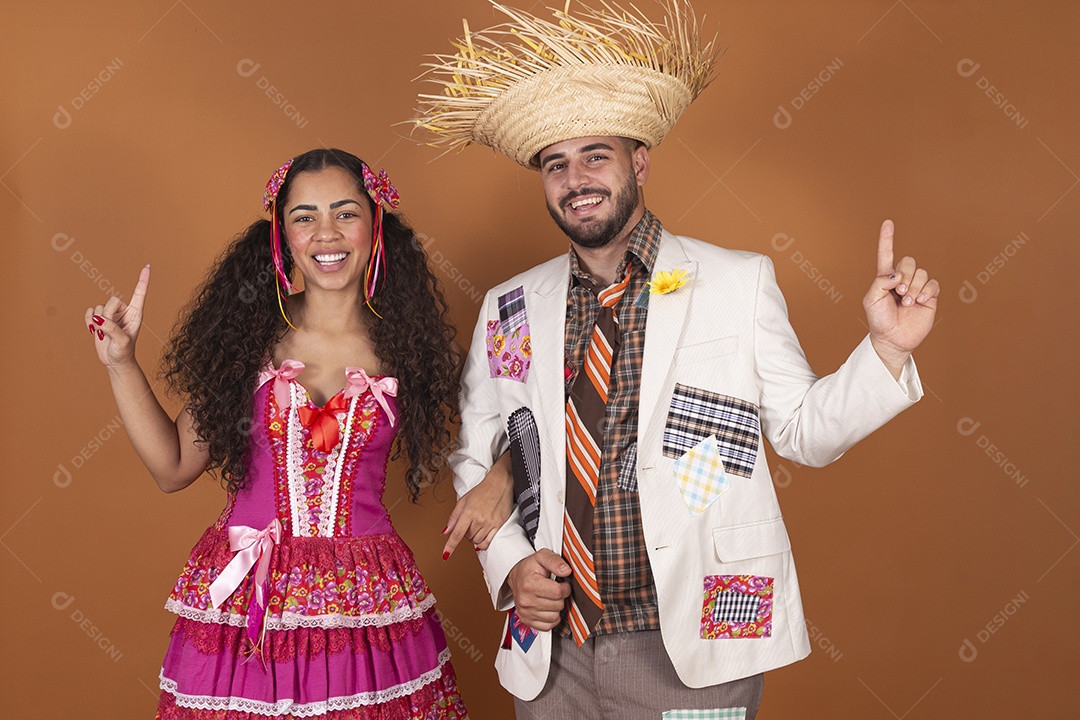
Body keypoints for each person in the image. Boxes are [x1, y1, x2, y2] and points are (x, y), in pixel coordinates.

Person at [414, 2, 939, 719]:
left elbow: (804, 433)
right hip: (551, 653)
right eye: (556, 165)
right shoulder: (511, 305)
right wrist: (510, 567)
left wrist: (884, 349)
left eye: (595, 155)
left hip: (697, 638)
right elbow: (481, 457)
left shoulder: (736, 281)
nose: (576, 180)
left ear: (640, 161)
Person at [85, 148, 470, 719]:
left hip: (361, 604)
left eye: (345, 212)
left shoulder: (414, 349)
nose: (325, 233)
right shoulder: (248, 340)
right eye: (304, 217)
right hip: (246, 604)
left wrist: (500, 479)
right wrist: (121, 362)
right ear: (282, 236)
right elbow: (171, 467)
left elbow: (504, 425)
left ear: (375, 222)